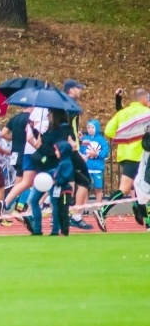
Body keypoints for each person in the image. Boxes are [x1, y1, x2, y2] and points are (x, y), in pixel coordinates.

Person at [95, 88, 150, 231]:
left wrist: (125, 137)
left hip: (124, 154)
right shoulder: (146, 113)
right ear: (143, 99)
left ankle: (145, 218)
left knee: (138, 188)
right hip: (138, 155)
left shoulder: (123, 112)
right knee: (129, 188)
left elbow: (108, 131)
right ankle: (103, 211)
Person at [27, 108, 75, 235]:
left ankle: (55, 230)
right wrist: (36, 134)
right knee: (34, 200)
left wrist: (41, 146)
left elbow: (53, 150)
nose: (48, 115)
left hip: (54, 169)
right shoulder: (50, 130)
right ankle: (37, 229)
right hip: (44, 170)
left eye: (50, 113)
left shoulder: (63, 130)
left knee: (54, 201)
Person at [63, 79, 94, 230]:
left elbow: (68, 126)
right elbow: (66, 125)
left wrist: (76, 135)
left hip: (66, 148)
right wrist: (71, 141)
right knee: (85, 181)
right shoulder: (71, 105)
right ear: (70, 90)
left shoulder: (62, 103)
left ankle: (59, 214)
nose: (80, 91)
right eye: (77, 88)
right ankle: (76, 216)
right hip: (71, 150)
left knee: (62, 181)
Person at [48, 142, 76, 236]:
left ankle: (65, 231)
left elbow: (66, 176)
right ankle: (61, 230)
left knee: (64, 211)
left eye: (57, 150)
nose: (55, 152)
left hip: (65, 191)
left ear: (62, 151)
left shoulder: (67, 163)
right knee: (59, 211)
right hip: (59, 190)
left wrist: (57, 182)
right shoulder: (61, 163)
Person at [81, 119, 110, 205]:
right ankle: (85, 208)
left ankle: (99, 208)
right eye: (88, 127)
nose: (90, 129)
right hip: (87, 167)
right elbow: (81, 151)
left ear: (96, 128)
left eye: (92, 127)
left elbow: (105, 152)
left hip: (98, 168)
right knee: (85, 188)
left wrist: (97, 153)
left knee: (98, 188)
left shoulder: (101, 140)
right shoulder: (85, 139)